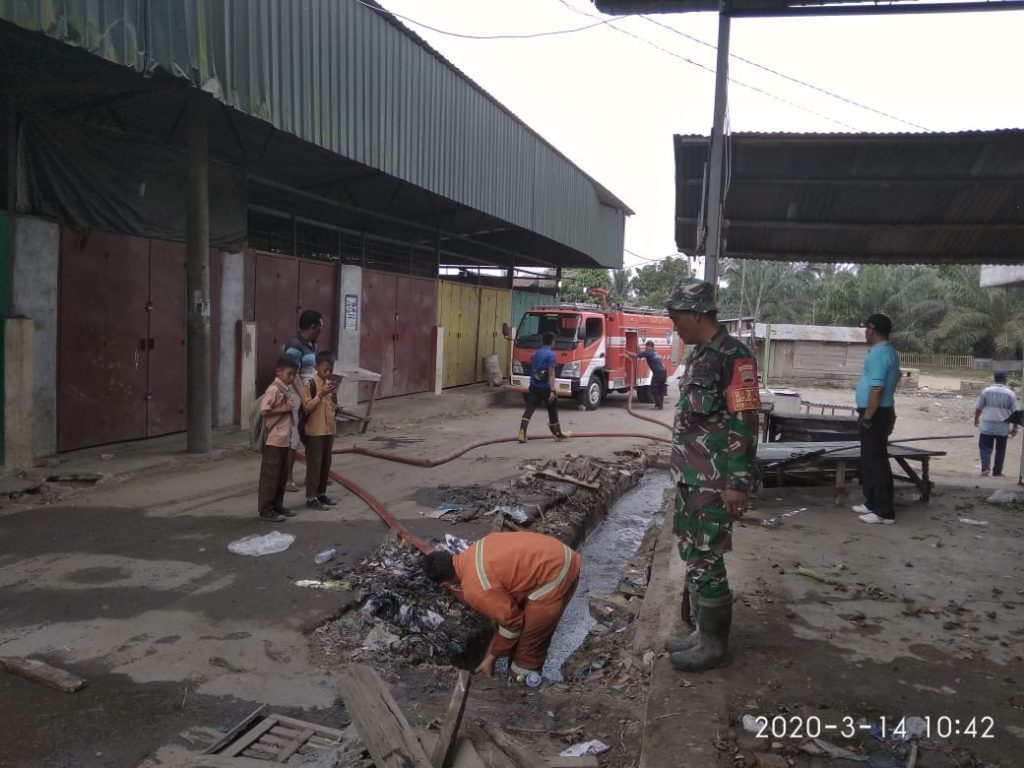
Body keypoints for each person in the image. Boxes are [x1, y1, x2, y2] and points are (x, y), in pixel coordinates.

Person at [660, 278, 760, 673]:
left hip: (714, 481)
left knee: (707, 555)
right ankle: (703, 633)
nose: (673, 326)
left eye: (676, 318)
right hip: (690, 475)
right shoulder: (700, 354)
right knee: (692, 552)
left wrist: (737, 483)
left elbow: (745, 420)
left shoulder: (735, 357)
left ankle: (715, 647)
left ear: (696, 314)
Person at [422, 531, 581, 680]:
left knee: (528, 649)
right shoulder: (476, 549)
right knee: (523, 633)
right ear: (450, 556)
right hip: (558, 554)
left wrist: (490, 658)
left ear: (445, 582)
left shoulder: (475, 589)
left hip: (554, 574)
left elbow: (513, 624)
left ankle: (521, 687)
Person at [853, 313, 901, 525]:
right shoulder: (887, 352)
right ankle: (871, 502)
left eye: (866, 328)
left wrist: (868, 416)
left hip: (875, 412)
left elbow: (877, 388)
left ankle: (884, 511)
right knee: (869, 459)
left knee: (876, 462)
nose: (865, 332)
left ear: (872, 329)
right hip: (879, 410)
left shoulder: (879, 354)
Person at [283, 310, 324, 492]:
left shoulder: (312, 345)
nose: (322, 329)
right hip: (295, 395)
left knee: (311, 436)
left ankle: (311, 477)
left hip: (310, 395)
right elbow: (292, 374)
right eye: (321, 325)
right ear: (313, 326)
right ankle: (288, 479)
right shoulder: (295, 345)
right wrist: (303, 396)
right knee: (294, 438)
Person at [257, 356, 301, 522]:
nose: (292, 377)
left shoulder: (285, 389)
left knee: (281, 475)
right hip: (273, 440)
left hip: (284, 439)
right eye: (289, 374)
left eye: (294, 374)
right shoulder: (274, 389)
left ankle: (277, 505)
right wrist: (285, 408)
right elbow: (264, 411)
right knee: (270, 475)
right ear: (279, 372)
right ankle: (265, 509)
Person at [517, 331, 571, 443]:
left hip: (534, 386)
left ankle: (522, 433)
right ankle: (557, 434)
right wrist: (552, 390)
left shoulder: (536, 353)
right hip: (545, 388)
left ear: (542, 341)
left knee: (529, 409)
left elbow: (534, 365)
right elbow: (551, 373)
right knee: (552, 410)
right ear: (552, 342)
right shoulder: (551, 355)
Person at [302, 351, 340, 509]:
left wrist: (334, 398)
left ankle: (321, 493)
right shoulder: (310, 384)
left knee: (326, 463)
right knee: (314, 465)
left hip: (328, 429)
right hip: (315, 431)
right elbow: (306, 407)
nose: (328, 372)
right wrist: (320, 395)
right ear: (317, 367)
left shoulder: (330, 385)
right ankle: (311, 497)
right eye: (325, 369)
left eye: (330, 369)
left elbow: (333, 407)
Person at [975, 371, 1019, 477]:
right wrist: (1015, 427)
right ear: (1005, 380)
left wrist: (976, 419)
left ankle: (985, 468)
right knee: (1000, 450)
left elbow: (979, 407)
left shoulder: (986, 391)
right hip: (1003, 427)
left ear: (994, 379)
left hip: (987, 426)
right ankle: (997, 471)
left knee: (985, 448)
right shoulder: (1010, 394)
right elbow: (1015, 412)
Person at [637, 340, 669, 409]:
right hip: (663, 372)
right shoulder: (654, 352)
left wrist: (626, 352)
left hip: (658, 373)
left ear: (649, 346)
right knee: (660, 389)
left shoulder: (648, 352)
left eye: (646, 346)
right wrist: (639, 351)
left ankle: (658, 405)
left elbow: (636, 355)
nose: (645, 348)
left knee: (654, 389)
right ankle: (660, 405)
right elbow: (641, 354)